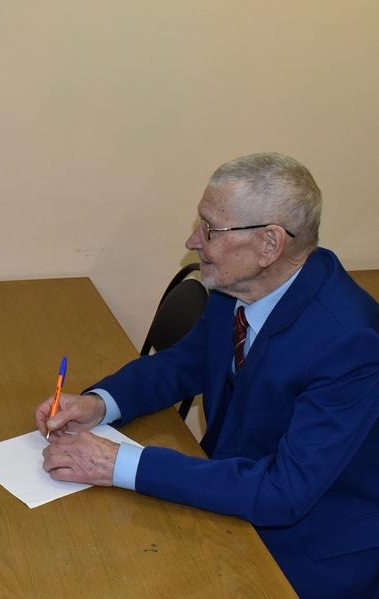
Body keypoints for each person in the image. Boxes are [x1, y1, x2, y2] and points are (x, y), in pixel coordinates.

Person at [35, 153, 379, 599]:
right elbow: (188, 361)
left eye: (211, 229)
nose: (193, 240)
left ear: (269, 244)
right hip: (227, 493)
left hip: (305, 546)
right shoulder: (239, 285)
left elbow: (285, 492)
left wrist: (118, 464)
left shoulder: (350, 341)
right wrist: (100, 403)